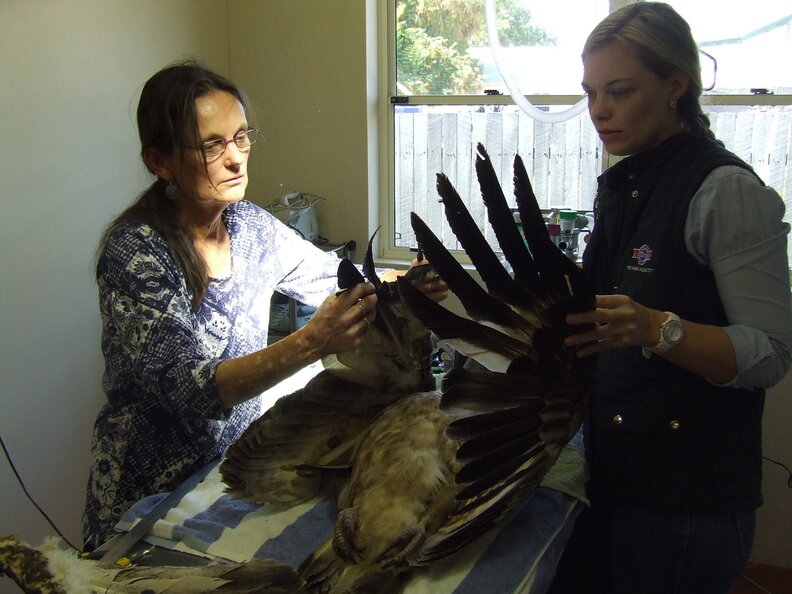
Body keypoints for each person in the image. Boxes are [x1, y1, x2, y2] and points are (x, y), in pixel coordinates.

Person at [82, 61, 447, 550]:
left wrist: (405, 285)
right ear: (160, 161)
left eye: (241, 137)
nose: (236, 159)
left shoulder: (250, 226)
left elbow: (330, 279)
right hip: (145, 502)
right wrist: (311, 341)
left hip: (222, 479)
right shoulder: (135, 253)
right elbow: (190, 388)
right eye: (212, 145)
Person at [547, 3, 792, 593]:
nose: (599, 111)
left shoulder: (724, 192)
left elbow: (770, 353)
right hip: (617, 476)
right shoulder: (625, 183)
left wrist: (659, 328)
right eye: (590, 93)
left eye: (620, 91)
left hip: (687, 502)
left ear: (676, 85)